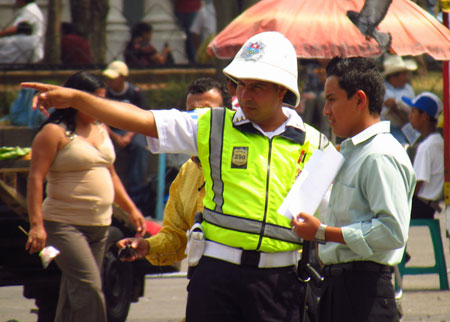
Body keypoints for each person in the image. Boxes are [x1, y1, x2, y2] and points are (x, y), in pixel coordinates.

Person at [23, 31, 330, 322]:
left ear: (282, 90)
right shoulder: (212, 125)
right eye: (240, 85)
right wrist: (78, 99)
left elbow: (329, 220)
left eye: (257, 87)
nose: (244, 95)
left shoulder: (316, 145)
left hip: (282, 284)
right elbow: (142, 119)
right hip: (217, 279)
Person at [290, 56, 416, 322]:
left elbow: (392, 231)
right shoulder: (349, 152)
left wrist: (323, 233)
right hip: (340, 286)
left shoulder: (379, 155)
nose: (325, 110)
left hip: (365, 292)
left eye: (332, 99)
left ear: (359, 100)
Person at [25, 71, 146, 322]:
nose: (98, 106)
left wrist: (132, 210)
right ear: (75, 99)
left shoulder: (101, 128)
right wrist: (36, 225)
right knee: (90, 287)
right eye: (93, 99)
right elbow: (36, 178)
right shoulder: (54, 133)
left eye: (102, 99)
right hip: (63, 224)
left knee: (74, 293)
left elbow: (110, 173)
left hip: (100, 225)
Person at [119, 77, 230, 267]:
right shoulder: (186, 172)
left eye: (206, 111)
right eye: (191, 112)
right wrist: (148, 245)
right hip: (206, 277)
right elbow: (174, 237)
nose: (198, 119)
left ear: (228, 115)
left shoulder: (245, 161)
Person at [102, 60, 151, 211]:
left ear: (123, 77)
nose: (110, 81)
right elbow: (100, 118)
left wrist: (128, 136)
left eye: (113, 78)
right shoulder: (105, 93)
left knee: (139, 147)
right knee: (106, 152)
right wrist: (115, 137)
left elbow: (143, 117)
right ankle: (109, 193)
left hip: (133, 129)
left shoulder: (135, 93)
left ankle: (136, 195)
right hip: (111, 131)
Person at [402, 92, 443, 219]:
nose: (410, 117)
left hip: (421, 206)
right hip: (430, 206)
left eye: (413, 112)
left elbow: (417, 184)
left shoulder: (426, 147)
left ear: (424, 116)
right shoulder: (438, 141)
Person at [382, 54, 418, 144]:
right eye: (404, 74)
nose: (407, 77)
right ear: (393, 77)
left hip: (405, 130)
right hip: (384, 130)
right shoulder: (382, 89)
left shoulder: (408, 89)